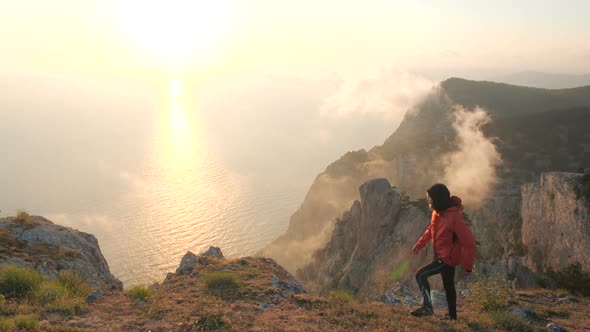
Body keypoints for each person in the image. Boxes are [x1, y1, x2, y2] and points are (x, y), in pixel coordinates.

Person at [409, 183, 476, 320]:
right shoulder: (437, 213)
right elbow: (430, 230)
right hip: (441, 255)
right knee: (449, 287)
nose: (428, 201)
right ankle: (452, 317)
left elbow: (469, 243)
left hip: (446, 258)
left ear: (438, 199)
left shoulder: (454, 217)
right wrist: (419, 245)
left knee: (420, 275)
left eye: (430, 199)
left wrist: (468, 266)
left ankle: (427, 307)